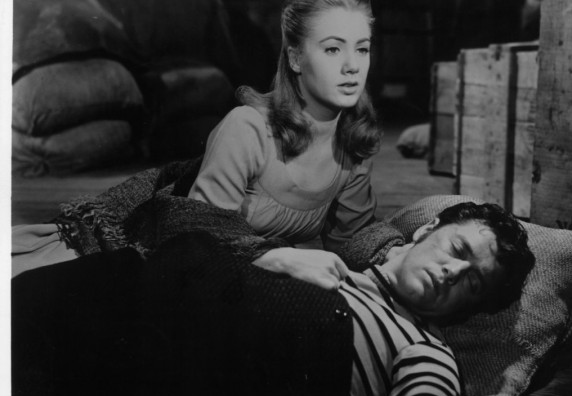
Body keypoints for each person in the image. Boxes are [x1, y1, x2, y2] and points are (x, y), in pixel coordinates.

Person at [12, 201, 535, 396]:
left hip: (230, 389)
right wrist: (272, 257)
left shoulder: (423, 346)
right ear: (426, 231)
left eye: (473, 283)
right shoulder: (316, 261)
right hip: (152, 323)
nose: (452, 273)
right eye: (458, 250)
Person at [11, 0, 381, 290]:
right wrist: (279, 257)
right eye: (333, 49)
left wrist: (398, 253)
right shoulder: (249, 127)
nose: (352, 66)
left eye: (362, 49)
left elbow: (352, 243)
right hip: (129, 257)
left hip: (228, 284)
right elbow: (197, 239)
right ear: (296, 58)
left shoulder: (354, 144)